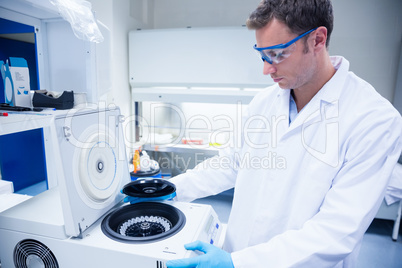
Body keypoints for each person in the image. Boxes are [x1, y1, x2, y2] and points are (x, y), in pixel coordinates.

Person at [165, 0, 402, 267]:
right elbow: (233, 163)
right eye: (262, 55)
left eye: (278, 54)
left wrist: (240, 263)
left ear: (317, 39)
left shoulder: (374, 121)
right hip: (237, 251)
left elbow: (337, 231)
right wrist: (172, 189)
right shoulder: (264, 102)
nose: (266, 69)